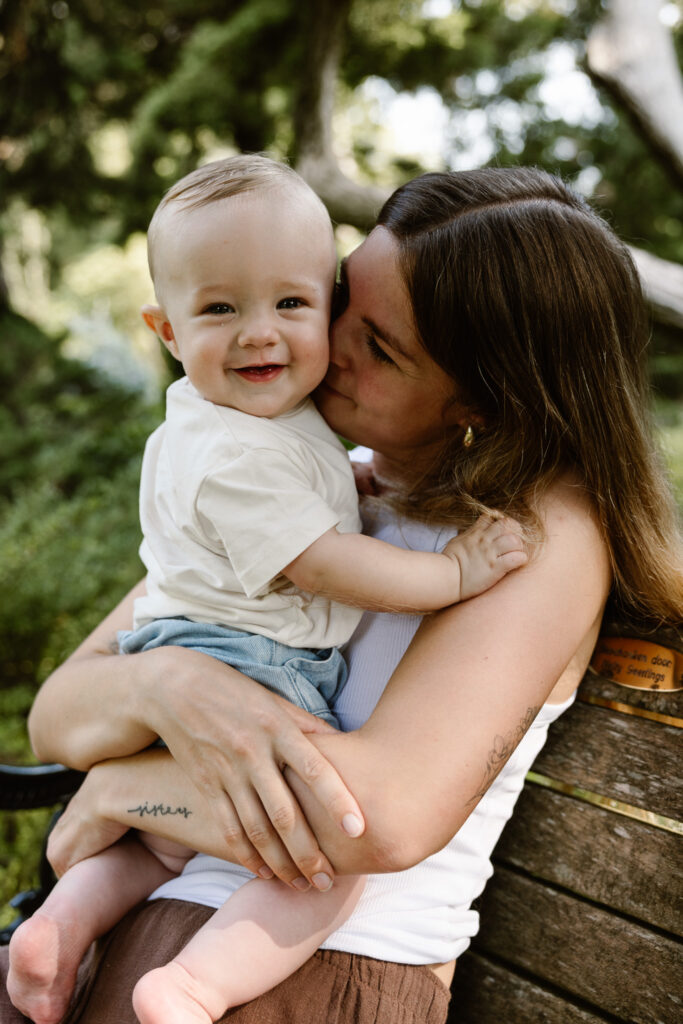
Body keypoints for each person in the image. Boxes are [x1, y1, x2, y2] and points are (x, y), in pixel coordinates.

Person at [2, 166, 681, 1024]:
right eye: (332, 302)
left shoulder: (533, 535)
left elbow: (375, 820)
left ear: (479, 397)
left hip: (318, 972)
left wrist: (117, 793)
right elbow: (61, 713)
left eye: (380, 346)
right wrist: (167, 688)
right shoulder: (299, 485)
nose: (317, 343)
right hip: (154, 934)